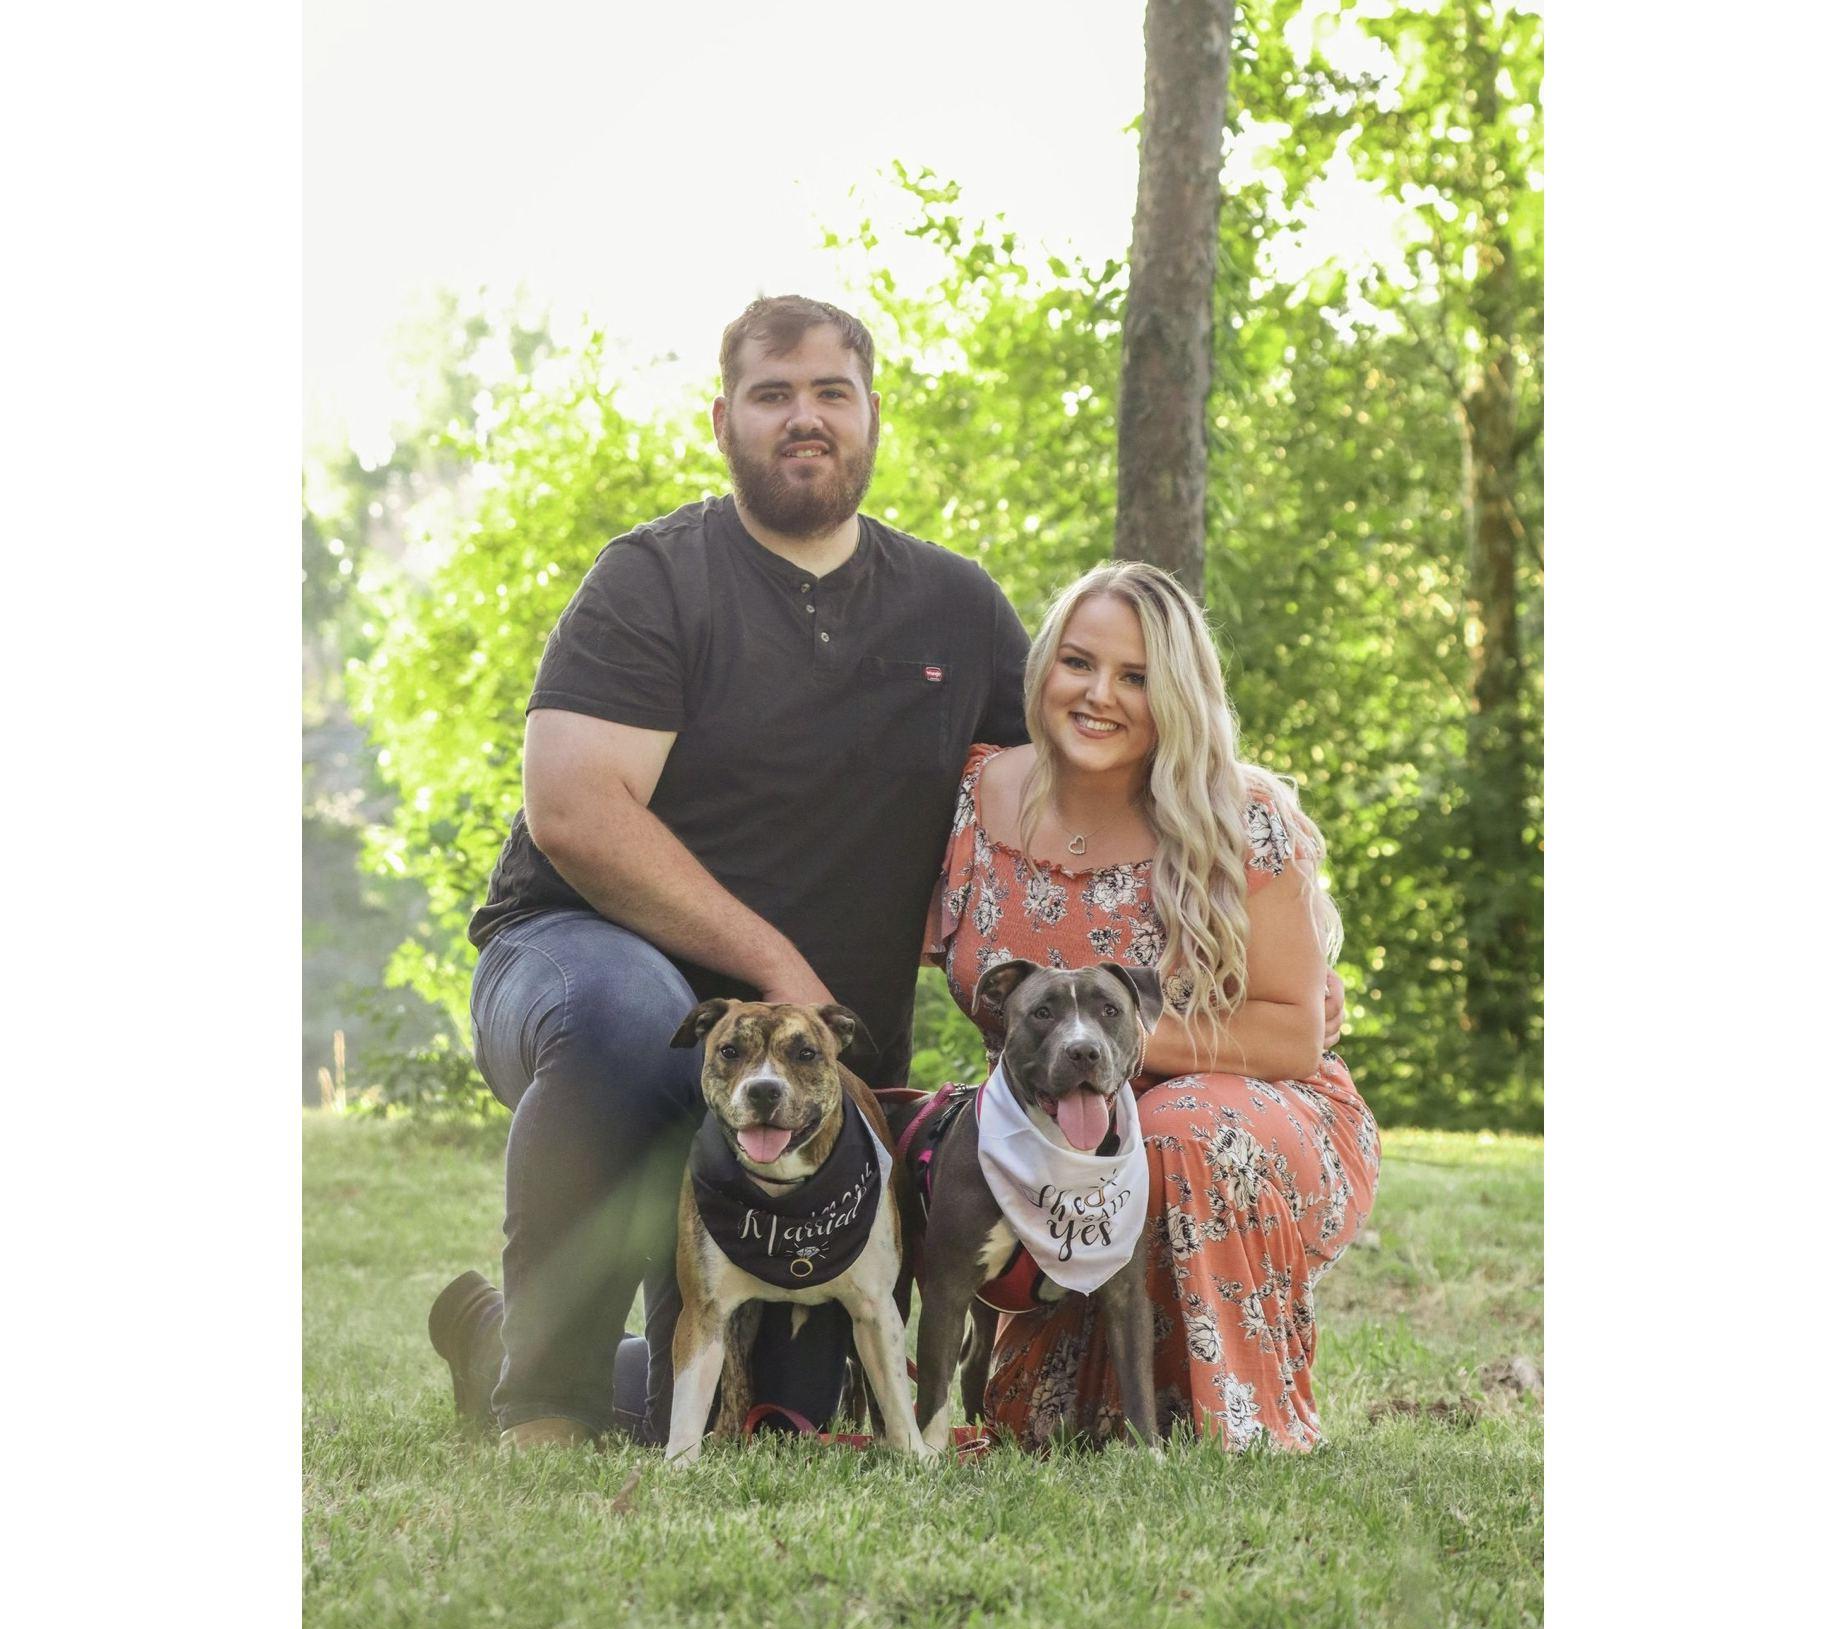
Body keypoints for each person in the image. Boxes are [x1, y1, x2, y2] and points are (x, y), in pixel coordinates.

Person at [429, 296, 1033, 1448]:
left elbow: (1059, 790)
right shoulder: (653, 581)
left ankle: (495, 1329)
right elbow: (571, 808)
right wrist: (772, 965)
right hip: (567, 967)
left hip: (804, 1079)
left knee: (768, 1422)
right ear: (722, 420)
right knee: (633, 1018)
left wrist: (1242, 884)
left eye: (829, 393)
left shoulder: (955, 607)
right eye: (771, 393)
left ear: (870, 418)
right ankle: (542, 1399)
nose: (802, 418)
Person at [927, 559, 1379, 1450]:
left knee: (1170, 1127)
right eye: (1078, 662)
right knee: (1037, 1424)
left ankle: (1228, 1421)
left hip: (1251, 1115)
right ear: (1041, 668)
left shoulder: (1236, 814)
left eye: (1136, 676)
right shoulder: (975, 796)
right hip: (1051, 1126)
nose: (1099, 695)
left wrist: (1104, 1047)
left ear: (1177, 691)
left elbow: (1292, 1033)